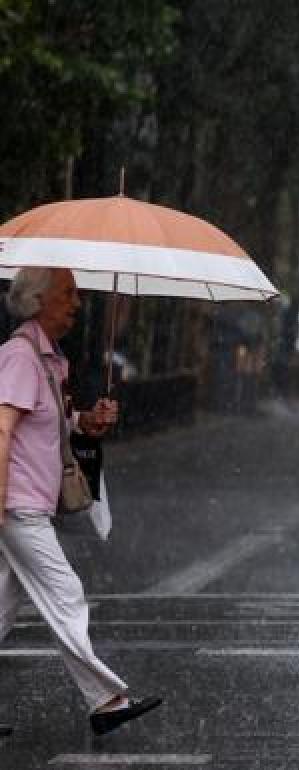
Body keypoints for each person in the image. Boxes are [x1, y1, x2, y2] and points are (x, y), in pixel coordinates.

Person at [0, 267, 162, 736]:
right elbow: (4, 426)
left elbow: (50, 422)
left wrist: (88, 420)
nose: (76, 303)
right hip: (17, 504)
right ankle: (106, 699)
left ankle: (105, 701)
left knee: (2, 606)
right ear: (38, 300)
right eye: (67, 294)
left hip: (31, 502)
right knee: (65, 593)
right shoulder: (18, 356)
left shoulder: (49, 359)